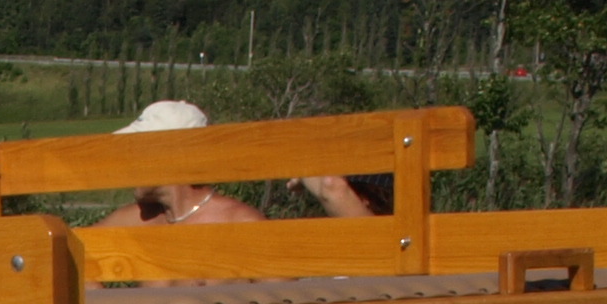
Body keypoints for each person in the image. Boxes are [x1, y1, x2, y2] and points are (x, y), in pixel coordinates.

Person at [92, 100, 394, 230]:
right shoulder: (133, 221)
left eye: (137, 153)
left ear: (175, 155)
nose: (128, 166)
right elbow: (62, 255)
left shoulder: (242, 223)